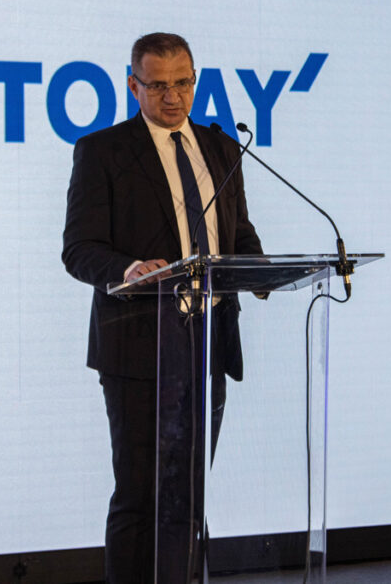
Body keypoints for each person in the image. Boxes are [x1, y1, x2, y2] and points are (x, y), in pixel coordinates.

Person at [61, 32, 263, 583]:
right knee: (140, 495)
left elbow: (237, 233)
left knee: (189, 494)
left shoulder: (222, 148)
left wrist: (261, 270)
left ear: (195, 80)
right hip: (138, 347)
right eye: (157, 86)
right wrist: (127, 269)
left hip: (208, 344)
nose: (172, 97)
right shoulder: (104, 151)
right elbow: (79, 249)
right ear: (133, 86)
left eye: (182, 83)